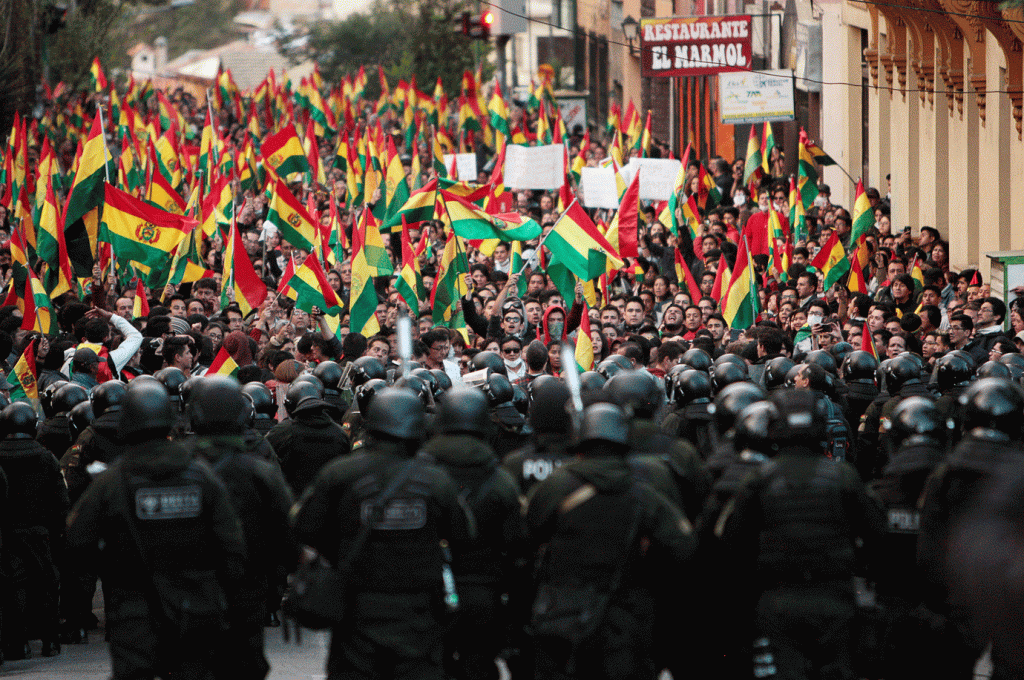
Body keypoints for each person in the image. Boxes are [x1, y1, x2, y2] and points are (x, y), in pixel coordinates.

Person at [66, 380, 247, 680]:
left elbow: (77, 543)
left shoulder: (111, 482)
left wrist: (114, 569)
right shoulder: (200, 476)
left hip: (134, 614)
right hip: (195, 608)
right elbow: (233, 547)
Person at [292, 387, 472, 680]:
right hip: (419, 617)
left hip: (356, 614)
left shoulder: (340, 474)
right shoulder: (436, 481)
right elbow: (464, 537)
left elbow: (303, 529)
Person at [717, 390, 886, 680]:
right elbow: (877, 536)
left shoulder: (760, 478)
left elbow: (732, 541)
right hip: (834, 598)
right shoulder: (842, 476)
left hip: (778, 599)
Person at [524, 401, 696, 680]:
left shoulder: (557, 487)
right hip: (624, 620)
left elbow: (523, 539)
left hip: (561, 616)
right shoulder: (643, 495)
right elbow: (684, 546)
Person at [184, 376, 297, 679]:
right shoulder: (260, 472)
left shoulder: (171, 468)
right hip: (245, 593)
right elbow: (290, 536)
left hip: (183, 596)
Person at [421, 386, 521, 680]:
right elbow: (517, 545)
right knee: (478, 665)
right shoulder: (501, 480)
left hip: (427, 592)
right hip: (483, 594)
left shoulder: (416, 475)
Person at [0, 402, 69, 660]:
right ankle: (50, 641)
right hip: (40, 533)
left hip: (7, 533)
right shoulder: (46, 458)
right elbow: (61, 501)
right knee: (47, 585)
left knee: (11, 588)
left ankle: (18, 643)